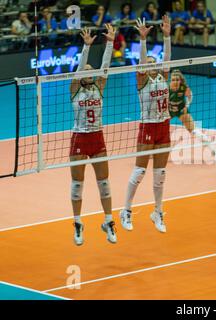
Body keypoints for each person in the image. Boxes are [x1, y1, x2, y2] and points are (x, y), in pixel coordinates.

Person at [119, 16, 172, 233]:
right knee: (139, 171)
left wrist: (167, 36)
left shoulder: (162, 78)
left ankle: (157, 212)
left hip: (164, 125)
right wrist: (143, 40)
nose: (151, 65)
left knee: (160, 175)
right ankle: (126, 211)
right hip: (148, 126)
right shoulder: (142, 82)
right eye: (147, 63)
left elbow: (167, 58)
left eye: (153, 62)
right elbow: (141, 63)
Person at [69, 24, 117, 245]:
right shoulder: (75, 89)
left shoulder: (99, 87)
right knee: (77, 185)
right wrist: (86, 48)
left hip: (97, 137)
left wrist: (110, 42)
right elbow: (80, 71)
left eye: (91, 69)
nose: (88, 71)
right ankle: (78, 224)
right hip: (79, 138)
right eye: (85, 69)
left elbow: (105, 66)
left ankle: (108, 221)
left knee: (104, 183)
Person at [168, 69, 216, 162]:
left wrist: (186, 106)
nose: (175, 82)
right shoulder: (167, 88)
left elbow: (190, 96)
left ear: (180, 80)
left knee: (195, 131)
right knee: (159, 129)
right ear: (170, 80)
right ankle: (154, 152)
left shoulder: (183, 87)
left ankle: (215, 151)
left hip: (182, 111)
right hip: (170, 111)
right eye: (173, 80)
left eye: (177, 80)